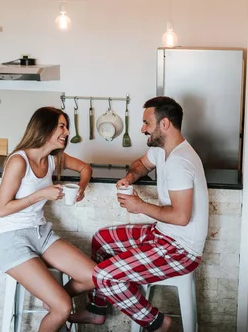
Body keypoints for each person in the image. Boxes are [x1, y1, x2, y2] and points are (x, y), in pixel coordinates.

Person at [70, 96, 209, 332]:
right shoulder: (162, 151)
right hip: (163, 234)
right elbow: (141, 164)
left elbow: (181, 217)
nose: (142, 128)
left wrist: (139, 205)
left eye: (146, 122)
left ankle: (159, 323)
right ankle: (96, 310)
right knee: (102, 240)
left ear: (164, 124)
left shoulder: (180, 162)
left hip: (181, 249)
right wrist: (130, 177)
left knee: (105, 276)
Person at [0, 106, 96, 332]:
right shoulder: (19, 161)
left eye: (66, 127)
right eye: (61, 126)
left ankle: (54, 298)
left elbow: (85, 168)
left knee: (93, 276)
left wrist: (81, 188)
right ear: (45, 127)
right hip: (14, 241)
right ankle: (57, 302)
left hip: (41, 234)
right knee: (62, 307)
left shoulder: (53, 159)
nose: (67, 132)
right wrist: (40, 195)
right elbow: (2, 208)